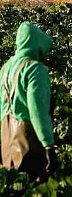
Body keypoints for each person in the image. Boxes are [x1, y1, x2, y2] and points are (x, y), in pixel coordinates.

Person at [0, 22, 58, 181]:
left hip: (6, 141)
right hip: (29, 142)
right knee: (32, 188)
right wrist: (48, 145)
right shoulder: (35, 69)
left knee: (12, 189)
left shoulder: (6, 68)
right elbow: (37, 111)